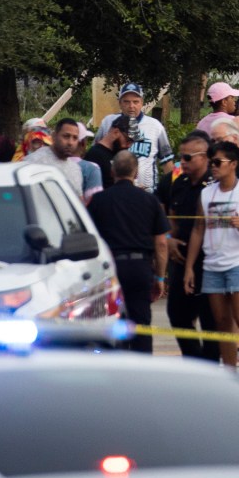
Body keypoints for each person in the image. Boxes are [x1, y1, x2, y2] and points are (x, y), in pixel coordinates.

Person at [185, 140, 239, 375]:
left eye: (218, 162)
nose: (213, 166)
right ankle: (231, 375)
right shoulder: (206, 193)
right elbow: (198, 230)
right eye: (211, 162)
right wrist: (190, 267)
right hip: (212, 265)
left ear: (233, 164)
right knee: (222, 323)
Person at [86, 151, 167, 354]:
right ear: (136, 172)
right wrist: (160, 276)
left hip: (110, 270)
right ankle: (141, 372)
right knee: (141, 323)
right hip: (140, 267)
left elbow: (90, 238)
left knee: (112, 321)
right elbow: (161, 243)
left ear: (112, 171)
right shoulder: (150, 201)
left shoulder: (99, 201)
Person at [156, 134, 220, 363]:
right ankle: (194, 359)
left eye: (187, 157)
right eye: (180, 156)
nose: (182, 162)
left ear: (204, 157)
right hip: (181, 259)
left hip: (210, 260)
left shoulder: (215, 185)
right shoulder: (179, 183)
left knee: (210, 319)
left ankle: (211, 364)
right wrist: (169, 239)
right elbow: (171, 217)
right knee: (177, 314)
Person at [95, 81, 172, 187]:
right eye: (126, 102)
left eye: (135, 102)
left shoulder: (155, 126)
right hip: (115, 190)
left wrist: (171, 190)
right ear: (120, 103)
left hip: (148, 193)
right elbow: (97, 154)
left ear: (142, 103)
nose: (131, 106)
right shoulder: (108, 123)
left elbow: (167, 161)